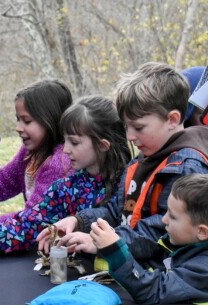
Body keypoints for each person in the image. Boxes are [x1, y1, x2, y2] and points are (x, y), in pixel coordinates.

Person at [37, 62, 208, 269]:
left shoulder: (187, 167)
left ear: (172, 119)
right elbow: (117, 211)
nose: (129, 136)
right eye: (127, 126)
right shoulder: (143, 159)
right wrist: (78, 220)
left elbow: (160, 231)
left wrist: (107, 244)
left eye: (138, 127)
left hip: (160, 280)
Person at [0, 95, 132, 253]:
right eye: (65, 142)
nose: (65, 150)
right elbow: (27, 225)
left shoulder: (131, 185)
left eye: (75, 142)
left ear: (103, 145)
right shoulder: (66, 187)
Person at [91, 174, 208, 304]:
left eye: (173, 217)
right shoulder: (181, 244)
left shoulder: (203, 270)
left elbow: (155, 293)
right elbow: (150, 268)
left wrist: (115, 251)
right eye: (166, 212)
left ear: (202, 232)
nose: (164, 220)